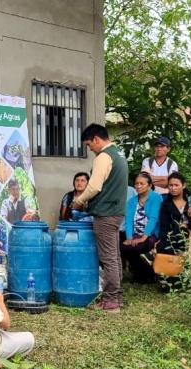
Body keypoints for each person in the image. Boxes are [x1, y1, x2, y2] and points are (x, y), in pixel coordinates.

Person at [72, 124, 129, 312]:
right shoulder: (118, 154)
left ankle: (111, 300)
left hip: (105, 213)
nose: (89, 149)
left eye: (89, 145)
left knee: (108, 257)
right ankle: (117, 297)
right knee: (115, 255)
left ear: (97, 139)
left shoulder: (104, 157)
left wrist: (79, 201)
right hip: (116, 211)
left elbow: (94, 186)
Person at [121, 173, 162, 283]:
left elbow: (153, 218)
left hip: (151, 234)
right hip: (135, 234)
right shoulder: (131, 201)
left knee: (141, 245)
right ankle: (138, 274)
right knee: (125, 247)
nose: (138, 186)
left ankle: (149, 274)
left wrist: (144, 237)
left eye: (141, 184)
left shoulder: (156, 198)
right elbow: (128, 220)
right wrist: (129, 237)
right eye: (136, 183)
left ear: (149, 185)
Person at [155, 172, 191, 256]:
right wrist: (162, 239)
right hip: (174, 236)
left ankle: (152, 253)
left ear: (183, 185)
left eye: (176, 185)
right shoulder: (166, 204)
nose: (173, 188)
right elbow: (164, 226)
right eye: (170, 185)